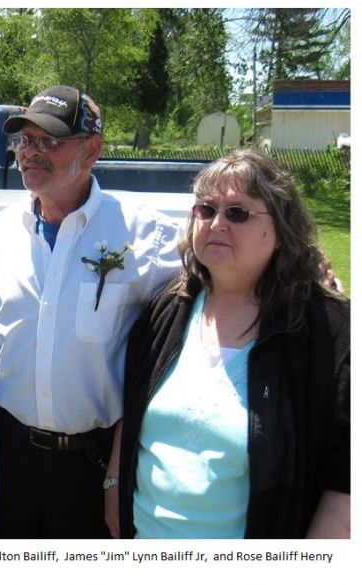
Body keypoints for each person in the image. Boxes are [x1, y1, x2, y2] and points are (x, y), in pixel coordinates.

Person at [0, 86, 181, 537]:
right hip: (11, 459)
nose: (31, 153)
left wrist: (305, 270)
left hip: (94, 466)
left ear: (92, 150)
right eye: (26, 140)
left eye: (50, 141)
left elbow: (220, 279)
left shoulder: (146, 235)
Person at [110, 150, 349, 538]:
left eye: (237, 213)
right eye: (206, 210)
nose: (217, 223)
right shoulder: (166, 310)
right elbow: (130, 410)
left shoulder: (329, 333)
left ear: (280, 230)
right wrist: (112, 487)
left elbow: (345, 481)